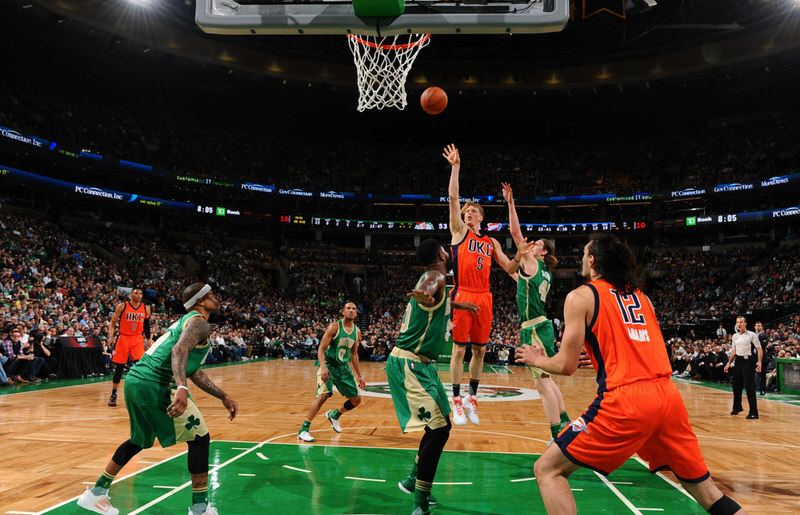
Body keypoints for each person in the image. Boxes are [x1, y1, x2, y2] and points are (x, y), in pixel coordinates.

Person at [515, 234, 745, 515]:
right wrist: (603, 358)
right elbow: (639, 342)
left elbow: (566, 366)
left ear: (592, 260)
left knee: (547, 470)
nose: (581, 259)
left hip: (627, 402)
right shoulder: (642, 297)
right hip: (668, 398)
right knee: (710, 494)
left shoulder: (580, 296)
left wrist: (537, 358)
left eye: (584, 253)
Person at [77, 283, 238, 515]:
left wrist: (223, 395)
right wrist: (181, 387)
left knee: (139, 440)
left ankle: (96, 494)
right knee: (199, 437)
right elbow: (179, 352)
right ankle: (200, 508)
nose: (216, 298)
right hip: (155, 382)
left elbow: (192, 369)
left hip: (136, 380)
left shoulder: (188, 322)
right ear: (200, 301)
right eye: (211, 295)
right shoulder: (199, 322)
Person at [387, 238, 480, 515]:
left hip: (423, 365)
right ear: (441, 253)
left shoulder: (438, 281)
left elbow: (439, 296)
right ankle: (420, 502)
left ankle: (412, 480)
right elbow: (431, 284)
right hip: (410, 364)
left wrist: (458, 306)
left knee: (442, 427)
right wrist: (424, 292)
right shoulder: (434, 275)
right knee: (438, 430)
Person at [443, 144, 533, 426]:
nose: (467, 213)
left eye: (472, 211)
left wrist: (519, 255)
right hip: (463, 293)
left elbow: (508, 268)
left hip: (485, 298)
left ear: (481, 217)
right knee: (459, 350)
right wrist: (456, 167)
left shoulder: (491, 242)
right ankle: (456, 400)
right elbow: (453, 196)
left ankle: (471, 397)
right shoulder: (458, 233)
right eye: (465, 211)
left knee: (480, 350)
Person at [503, 182, 571, 442]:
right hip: (540, 325)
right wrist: (498, 254)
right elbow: (516, 278)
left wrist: (510, 202)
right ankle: (565, 422)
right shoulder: (541, 273)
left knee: (542, 384)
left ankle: (557, 433)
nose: (530, 245)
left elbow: (515, 231)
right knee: (547, 380)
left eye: (536, 244)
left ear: (542, 253)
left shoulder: (532, 261)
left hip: (533, 328)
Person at [297, 302, 366, 442]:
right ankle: (303, 429)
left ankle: (334, 415)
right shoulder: (335, 327)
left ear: (356, 313)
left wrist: (359, 375)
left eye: (354, 309)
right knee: (323, 395)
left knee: (356, 400)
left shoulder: (357, 331)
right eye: (348, 308)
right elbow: (321, 349)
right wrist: (323, 367)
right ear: (343, 311)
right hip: (329, 365)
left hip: (343, 368)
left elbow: (354, 355)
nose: (351, 311)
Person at [107, 288, 152, 407]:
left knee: (140, 367)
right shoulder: (122, 306)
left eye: (140, 293)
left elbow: (146, 325)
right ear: (130, 294)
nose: (138, 295)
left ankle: (139, 393)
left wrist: (148, 339)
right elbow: (112, 322)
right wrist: (111, 336)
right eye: (136, 293)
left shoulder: (146, 308)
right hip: (123, 337)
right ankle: (114, 394)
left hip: (137, 338)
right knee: (119, 368)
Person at [724, 317, 762, 419]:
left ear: (745, 323)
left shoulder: (751, 335)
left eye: (741, 322)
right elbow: (733, 351)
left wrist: (759, 362)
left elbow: (759, 349)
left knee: (749, 387)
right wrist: (728, 363)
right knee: (736, 386)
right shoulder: (735, 336)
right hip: (738, 361)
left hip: (748, 361)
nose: (739, 324)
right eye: (737, 322)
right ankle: (737, 407)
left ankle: (754, 412)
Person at [753, 321, 768, 395]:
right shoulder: (752, 335)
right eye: (757, 325)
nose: (758, 327)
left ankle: (762, 389)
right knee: (751, 373)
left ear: (761, 327)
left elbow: (764, 344)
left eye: (759, 325)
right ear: (754, 327)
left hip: (762, 357)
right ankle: (752, 388)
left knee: (762, 374)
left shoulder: (765, 335)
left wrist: (755, 343)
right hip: (752, 356)